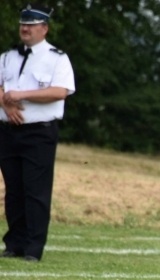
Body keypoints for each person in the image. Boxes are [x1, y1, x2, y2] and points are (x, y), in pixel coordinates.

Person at [0, 3, 75, 263]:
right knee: (14, 189)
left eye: (31, 25)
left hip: (39, 133)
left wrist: (21, 95)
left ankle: (33, 247)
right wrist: (6, 105)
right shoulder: (7, 57)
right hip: (8, 131)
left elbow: (60, 91)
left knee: (36, 191)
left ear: (44, 28)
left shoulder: (57, 59)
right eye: (23, 24)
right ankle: (14, 243)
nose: (25, 29)